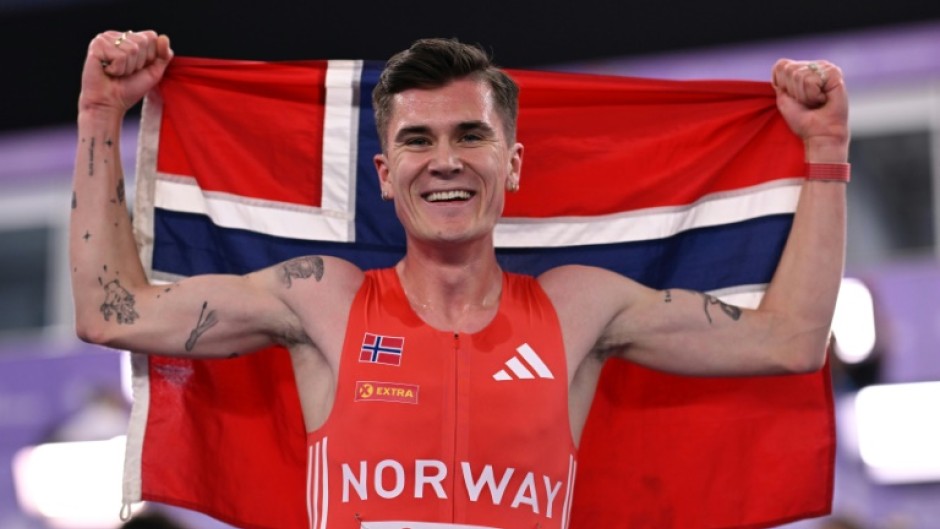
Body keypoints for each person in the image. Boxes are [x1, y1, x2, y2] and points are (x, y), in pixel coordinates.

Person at [71, 30, 849, 529]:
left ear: (511, 164)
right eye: (418, 140)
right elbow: (113, 313)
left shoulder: (581, 307)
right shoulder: (321, 299)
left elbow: (790, 340)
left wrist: (824, 152)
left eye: (471, 135)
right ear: (384, 173)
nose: (445, 159)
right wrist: (101, 113)